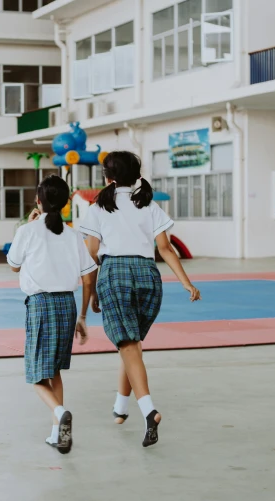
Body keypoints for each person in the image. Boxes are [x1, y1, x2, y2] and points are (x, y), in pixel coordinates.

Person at [78, 151, 201, 448]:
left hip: (115, 274)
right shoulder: (148, 205)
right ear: (136, 176)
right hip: (148, 275)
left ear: (107, 178)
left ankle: (149, 410)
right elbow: (167, 249)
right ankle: (121, 407)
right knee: (131, 343)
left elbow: (91, 255)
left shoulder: (98, 208)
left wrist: (92, 292)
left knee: (128, 343)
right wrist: (187, 283)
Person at [7, 175, 98, 454]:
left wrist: (31, 224)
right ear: (67, 202)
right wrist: (82, 317)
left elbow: (13, 266)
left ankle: (60, 413)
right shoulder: (73, 235)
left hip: (40, 305)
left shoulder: (28, 231)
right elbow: (87, 277)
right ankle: (58, 433)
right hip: (67, 306)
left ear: (38, 201)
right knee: (54, 370)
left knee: (36, 375)